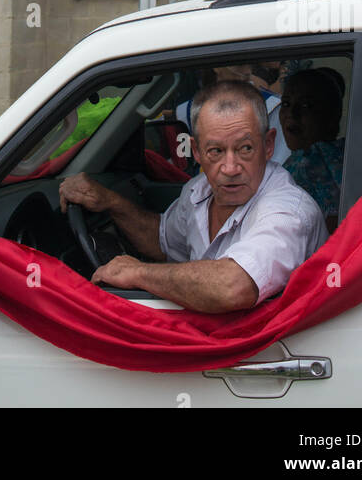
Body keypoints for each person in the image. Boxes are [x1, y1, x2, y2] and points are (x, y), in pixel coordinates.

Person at [60, 79, 327, 311]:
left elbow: (234, 286)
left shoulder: (289, 210)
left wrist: (137, 272)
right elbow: (163, 241)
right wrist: (111, 202)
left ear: (268, 145)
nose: (230, 168)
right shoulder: (199, 190)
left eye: (245, 148)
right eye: (215, 151)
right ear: (196, 152)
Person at [177, 61, 291, 164]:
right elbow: (181, 163)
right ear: (217, 68)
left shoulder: (272, 107)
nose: (247, 72)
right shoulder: (185, 113)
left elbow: (278, 162)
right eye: (239, 64)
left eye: (249, 64)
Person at [280, 68, 346, 233]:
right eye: (286, 104)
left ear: (332, 116)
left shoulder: (315, 162)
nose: (291, 114)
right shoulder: (343, 155)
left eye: (305, 105)